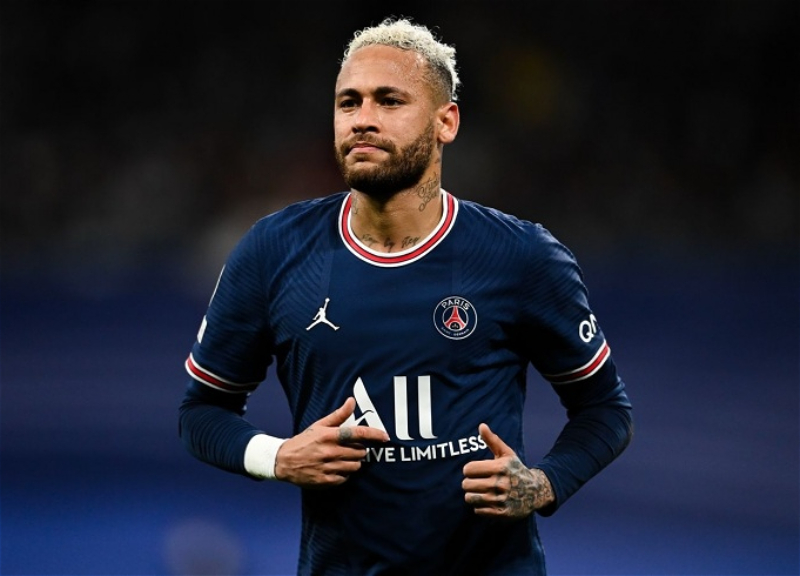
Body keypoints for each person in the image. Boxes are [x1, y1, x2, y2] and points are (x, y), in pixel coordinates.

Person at [179, 16, 633, 576]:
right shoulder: (273, 251)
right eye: (348, 103)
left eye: (389, 101)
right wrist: (277, 455)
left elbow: (605, 410)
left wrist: (543, 484)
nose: (363, 119)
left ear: (446, 122)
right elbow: (201, 411)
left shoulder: (521, 256)